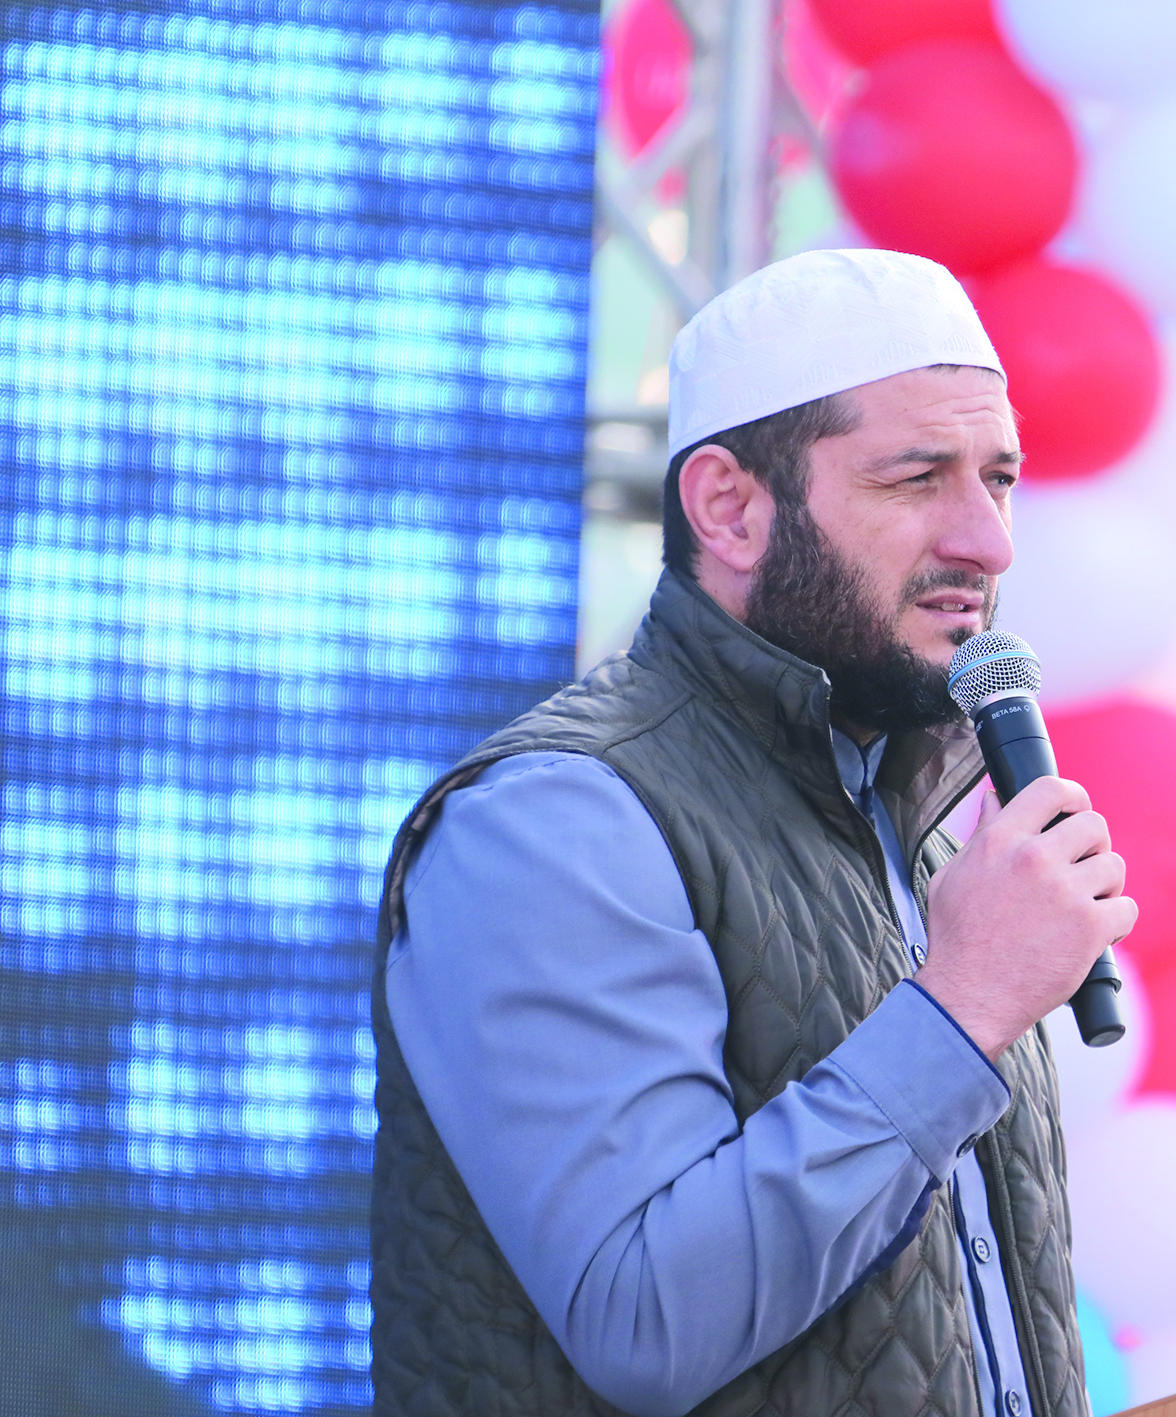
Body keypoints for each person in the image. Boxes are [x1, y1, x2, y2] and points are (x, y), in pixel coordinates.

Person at [368, 249, 1135, 1417]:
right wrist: (965, 1005)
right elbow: (647, 1320)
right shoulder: (553, 818)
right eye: (917, 477)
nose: (989, 541)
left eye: (999, 478)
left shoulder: (920, 835)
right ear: (729, 508)